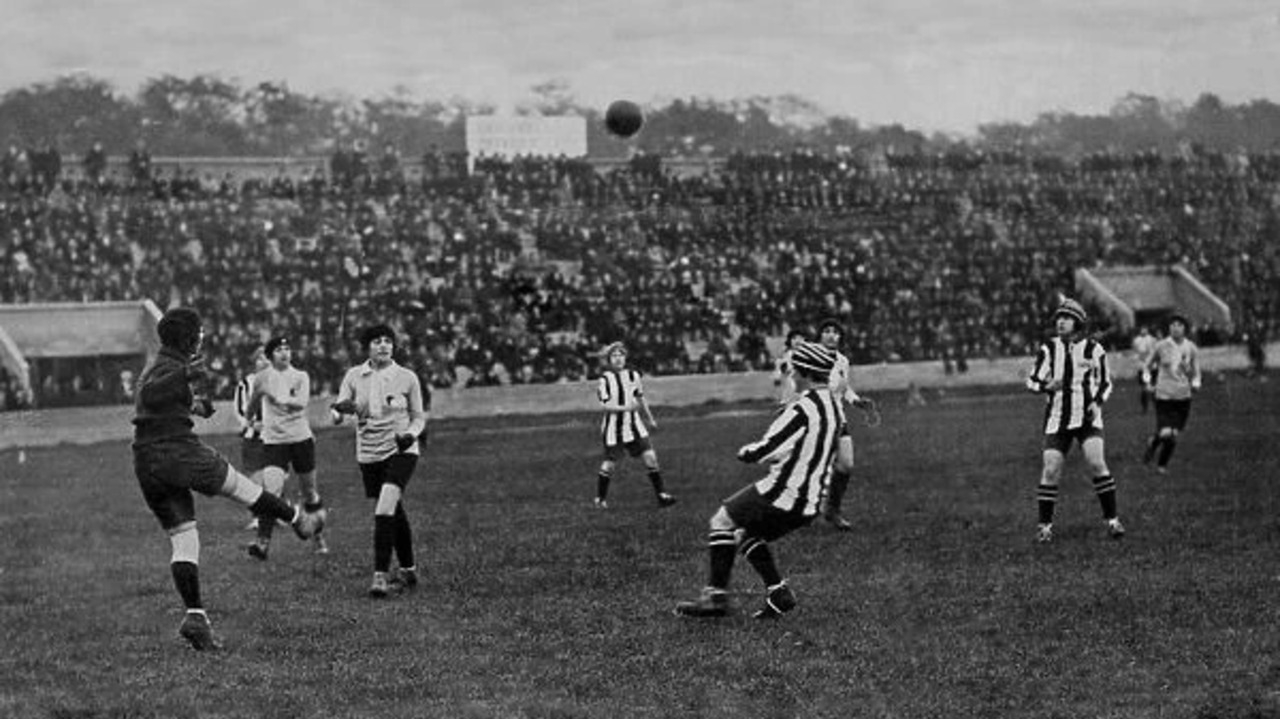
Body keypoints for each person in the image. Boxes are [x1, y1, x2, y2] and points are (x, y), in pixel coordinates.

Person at [132, 308, 325, 651]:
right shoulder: (172, 367)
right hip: (177, 451)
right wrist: (184, 378)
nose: (202, 337)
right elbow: (151, 395)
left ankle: (196, 617)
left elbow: (151, 400)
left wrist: (196, 405)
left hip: (146, 462)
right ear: (188, 338)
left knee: (184, 537)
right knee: (245, 489)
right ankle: (299, 520)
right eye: (199, 332)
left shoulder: (158, 364)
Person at [675, 340, 842, 619]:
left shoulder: (802, 409)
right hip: (810, 501)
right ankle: (778, 593)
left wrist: (745, 452)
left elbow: (765, 450)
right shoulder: (835, 408)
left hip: (782, 493)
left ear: (805, 373)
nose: (791, 375)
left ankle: (715, 597)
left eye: (794, 370)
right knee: (745, 535)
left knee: (722, 520)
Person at [330, 324, 427, 598]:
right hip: (368, 453)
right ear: (367, 347)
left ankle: (380, 577)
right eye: (377, 341)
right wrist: (340, 412)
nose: (383, 345)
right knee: (393, 510)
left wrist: (410, 434)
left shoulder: (406, 377)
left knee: (385, 508)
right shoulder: (353, 376)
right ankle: (408, 570)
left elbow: (419, 417)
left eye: (388, 341)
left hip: (400, 450)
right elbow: (337, 413)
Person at [1025, 298, 1124, 543]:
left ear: (1077, 323)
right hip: (1057, 418)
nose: (1061, 322)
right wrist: (1046, 386)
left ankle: (1112, 521)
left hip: (1088, 418)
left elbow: (1105, 383)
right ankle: (1045, 527)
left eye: (1066, 318)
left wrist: (1096, 403)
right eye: (1059, 318)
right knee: (1050, 469)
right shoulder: (1049, 348)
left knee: (1096, 462)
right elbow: (1032, 380)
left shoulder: (1094, 350)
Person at [247, 336, 328, 559]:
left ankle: (318, 537)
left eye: (287, 349)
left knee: (309, 493)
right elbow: (252, 403)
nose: (284, 353)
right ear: (271, 355)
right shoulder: (262, 377)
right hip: (274, 442)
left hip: (301, 439)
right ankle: (262, 543)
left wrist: (275, 395)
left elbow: (301, 403)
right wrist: (251, 417)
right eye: (279, 349)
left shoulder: (300, 376)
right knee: (271, 491)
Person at [592, 341, 676, 509]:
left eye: (620, 355)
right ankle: (600, 499)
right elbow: (605, 406)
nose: (618, 358)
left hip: (634, 425)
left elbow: (640, 397)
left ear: (625, 357)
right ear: (609, 360)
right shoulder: (605, 379)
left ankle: (662, 495)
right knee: (609, 465)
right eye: (614, 356)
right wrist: (626, 408)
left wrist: (650, 418)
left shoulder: (633, 376)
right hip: (613, 428)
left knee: (651, 457)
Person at [816, 318, 878, 531]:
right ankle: (794, 511)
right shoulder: (811, 359)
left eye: (835, 331)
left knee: (846, 464)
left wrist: (857, 402)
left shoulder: (842, 361)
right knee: (813, 467)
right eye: (826, 331)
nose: (831, 335)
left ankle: (832, 510)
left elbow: (845, 389)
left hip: (838, 418)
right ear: (820, 336)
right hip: (817, 420)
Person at [1142, 314, 1202, 474]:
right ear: (1169, 328)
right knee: (1168, 433)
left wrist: (1196, 383)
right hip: (1164, 395)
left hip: (1183, 397)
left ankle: (1153, 443)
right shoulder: (1161, 346)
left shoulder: (1191, 348)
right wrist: (1147, 381)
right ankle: (1162, 466)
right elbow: (1147, 366)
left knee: (1172, 433)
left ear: (1185, 328)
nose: (1175, 327)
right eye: (1173, 325)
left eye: (1179, 325)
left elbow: (1196, 371)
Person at [233, 344, 270, 531]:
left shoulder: (279, 381)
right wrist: (251, 423)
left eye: (267, 357)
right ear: (254, 362)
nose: (264, 361)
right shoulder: (246, 384)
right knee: (256, 477)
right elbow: (239, 409)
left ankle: (274, 514)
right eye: (260, 358)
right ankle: (257, 516)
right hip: (253, 437)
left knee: (274, 475)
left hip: (275, 436)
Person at [771, 329, 806, 405]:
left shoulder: (810, 357)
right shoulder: (785, 357)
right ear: (789, 341)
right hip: (789, 392)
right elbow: (777, 378)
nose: (797, 341)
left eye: (800, 338)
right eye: (794, 338)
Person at [1131, 325, 1157, 414]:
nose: (1143, 330)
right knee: (1144, 388)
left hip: (1152, 366)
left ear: (1148, 330)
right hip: (1142, 367)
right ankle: (1144, 408)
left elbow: (1155, 351)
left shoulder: (1152, 339)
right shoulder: (1136, 340)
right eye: (1142, 329)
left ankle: (1156, 407)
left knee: (1153, 387)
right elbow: (1135, 352)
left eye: (1145, 328)